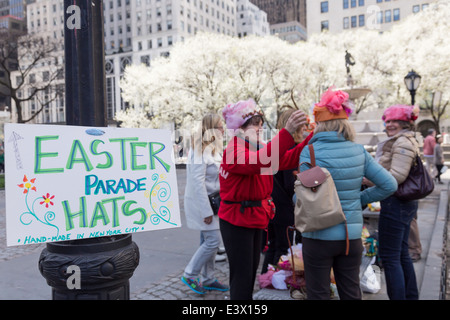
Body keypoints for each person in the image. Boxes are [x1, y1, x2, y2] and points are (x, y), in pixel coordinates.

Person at [300, 87, 397, 300]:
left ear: (320, 124)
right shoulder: (358, 151)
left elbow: (303, 195)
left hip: (317, 236)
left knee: (318, 294)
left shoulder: (310, 151)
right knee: (351, 293)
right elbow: (389, 185)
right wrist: (358, 199)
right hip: (349, 237)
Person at [219, 98, 311, 300]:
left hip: (253, 217)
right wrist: (286, 133)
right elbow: (262, 161)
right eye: (254, 123)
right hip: (237, 220)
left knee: (249, 274)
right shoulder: (234, 150)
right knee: (242, 277)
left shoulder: (256, 146)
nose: (260, 127)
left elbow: (287, 159)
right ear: (240, 128)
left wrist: (312, 139)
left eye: (261, 123)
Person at [375, 104, 421, 300]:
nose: (391, 124)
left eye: (396, 121)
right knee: (401, 253)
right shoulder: (402, 140)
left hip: (396, 203)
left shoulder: (402, 142)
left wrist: (368, 178)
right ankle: (410, 296)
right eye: (389, 121)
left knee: (390, 258)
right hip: (403, 203)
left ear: (405, 123)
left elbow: (396, 177)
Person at [181, 113, 229, 294]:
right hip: (204, 205)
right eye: (219, 126)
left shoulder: (213, 149)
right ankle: (190, 274)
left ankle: (208, 278)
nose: (223, 130)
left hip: (214, 202)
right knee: (213, 241)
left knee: (210, 241)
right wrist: (206, 211)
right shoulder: (200, 149)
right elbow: (197, 182)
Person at [261, 108, 304, 274]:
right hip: (285, 207)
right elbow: (290, 183)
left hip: (272, 205)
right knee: (283, 248)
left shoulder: (276, 146)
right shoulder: (291, 148)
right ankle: (275, 282)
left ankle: (266, 279)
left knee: (274, 246)